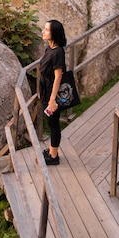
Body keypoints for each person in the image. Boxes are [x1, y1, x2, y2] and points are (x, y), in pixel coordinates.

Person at [39, 19, 67, 166]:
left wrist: (52, 99)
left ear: (54, 33)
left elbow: (58, 77)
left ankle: (54, 156)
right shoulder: (50, 48)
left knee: (54, 123)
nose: (43, 31)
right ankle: (51, 150)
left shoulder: (58, 52)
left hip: (52, 93)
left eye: (47, 30)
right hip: (46, 90)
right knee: (51, 122)